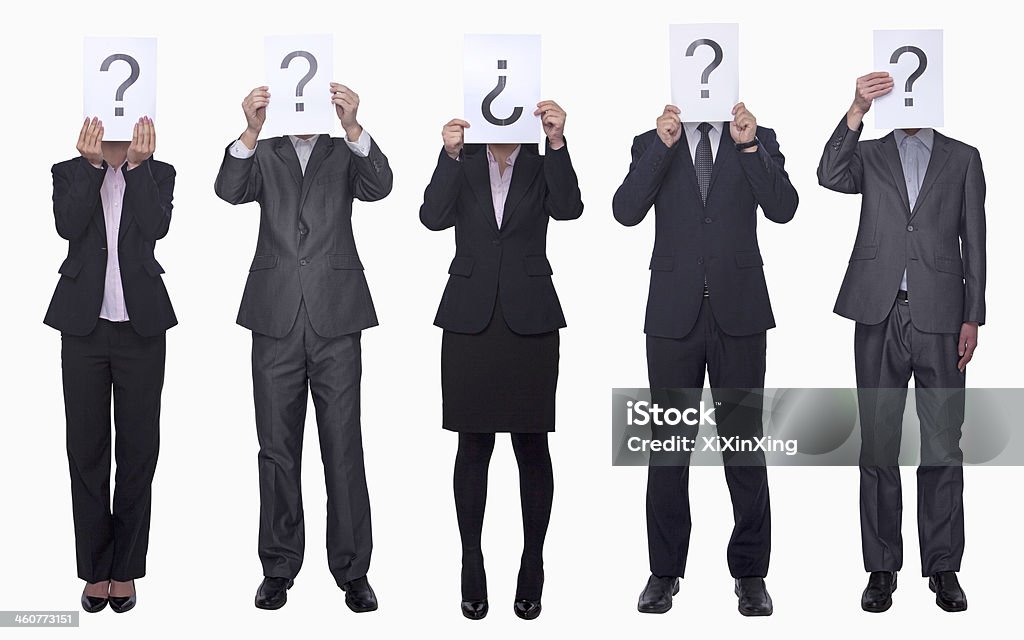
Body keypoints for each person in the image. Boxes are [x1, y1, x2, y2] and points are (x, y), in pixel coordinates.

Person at [613, 102, 798, 616]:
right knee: (668, 447)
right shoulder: (652, 140)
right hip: (673, 316)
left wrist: (749, 144)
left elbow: (784, 207)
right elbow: (625, 211)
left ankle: (751, 574)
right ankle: (664, 571)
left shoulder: (758, 137)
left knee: (743, 445)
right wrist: (662, 145)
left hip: (740, 312)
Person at [214, 82, 392, 612]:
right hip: (274, 316)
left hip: (337, 315)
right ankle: (278, 566)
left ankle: (353, 570)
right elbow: (228, 189)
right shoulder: (262, 149)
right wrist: (250, 127)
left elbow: (380, 186)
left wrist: (354, 126)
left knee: (343, 446)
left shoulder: (344, 149)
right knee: (276, 449)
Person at [818, 72, 985, 614]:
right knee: (877, 445)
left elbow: (975, 241)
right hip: (877, 311)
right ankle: (881, 568)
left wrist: (973, 316)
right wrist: (856, 108)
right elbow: (828, 174)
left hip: (942, 317)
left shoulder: (963, 158)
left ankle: (943, 567)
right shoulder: (868, 154)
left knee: (942, 446)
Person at [419, 101, 583, 620]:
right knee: (473, 445)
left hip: (530, 316)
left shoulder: (540, 159)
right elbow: (431, 217)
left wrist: (557, 143)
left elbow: (571, 208)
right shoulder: (463, 158)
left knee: (531, 444)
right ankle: (471, 562)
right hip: (469, 318)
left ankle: (532, 564)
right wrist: (447, 155)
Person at [46, 116, 175, 614]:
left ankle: (125, 569)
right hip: (83, 327)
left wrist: (137, 169)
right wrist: (91, 165)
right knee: (86, 449)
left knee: (140, 450)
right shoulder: (68, 169)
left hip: (141, 327)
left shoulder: (159, 172)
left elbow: (157, 228)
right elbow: (68, 226)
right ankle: (95, 569)